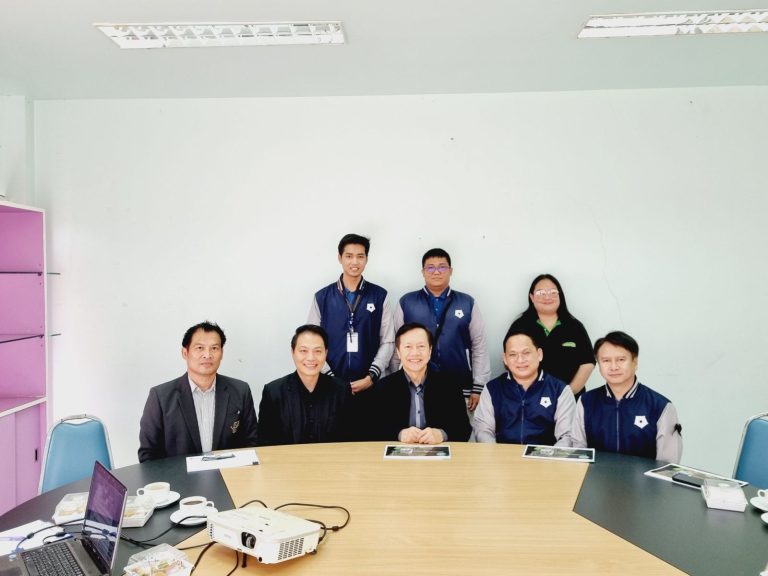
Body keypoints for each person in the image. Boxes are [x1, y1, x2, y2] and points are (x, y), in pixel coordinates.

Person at [308, 233, 394, 439]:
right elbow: (310, 342)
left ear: (366, 259)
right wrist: (332, 379)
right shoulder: (322, 297)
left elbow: (389, 340)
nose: (354, 262)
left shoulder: (380, 295)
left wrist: (372, 376)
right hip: (329, 387)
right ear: (340, 258)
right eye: (349, 256)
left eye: (360, 256)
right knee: (333, 443)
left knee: (369, 441)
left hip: (370, 387)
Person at [138, 321, 258, 462]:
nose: (207, 355)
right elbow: (148, 454)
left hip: (229, 479)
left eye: (214, 348)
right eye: (200, 348)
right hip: (180, 480)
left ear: (222, 353)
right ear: (185, 352)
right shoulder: (160, 397)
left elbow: (252, 443)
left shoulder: (240, 391)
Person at [391, 248, 490, 412]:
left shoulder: (467, 302)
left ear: (451, 271)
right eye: (430, 267)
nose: (436, 272)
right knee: (418, 432)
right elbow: (396, 348)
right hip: (415, 386)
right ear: (423, 271)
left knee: (457, 432)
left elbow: (479, 346)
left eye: (442, 267)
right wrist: (394, 382)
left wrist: (478, 386)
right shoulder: (407, 302)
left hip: (461, 385)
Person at [572, 331, 682, 462]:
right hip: (595, 481)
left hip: (645, 482)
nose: (613, 367)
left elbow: (667, 465)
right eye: (606, 360)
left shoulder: (661, 406)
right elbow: (578, 454)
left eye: (621, 360)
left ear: (635, 362)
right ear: (599, 365)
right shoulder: (586, 402)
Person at [473, 328, 575, 445]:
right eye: (513, 354)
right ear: (505, 359)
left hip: (545, 459)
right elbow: (483, 431)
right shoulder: (492, 389)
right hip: (503, 458)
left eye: (526, 353)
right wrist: (496, 455)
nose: (520, 360)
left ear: (539, 354)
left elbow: (567, 436)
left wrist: (550, 458)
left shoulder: (560, 390)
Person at [375, 323, 471, 443]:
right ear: (398, 352)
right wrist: (399, 434)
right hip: (397, 458)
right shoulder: (383, 388)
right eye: (408, 347)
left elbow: (464, 429)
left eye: (421, 346)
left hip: (439, 457)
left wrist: (442, 434)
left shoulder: (450, 386)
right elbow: (372, 429)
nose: (415, 353)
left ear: (430, 351)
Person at [258, 325, 353, 445]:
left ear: (326, 353)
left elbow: (351, 441)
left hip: (331, 462)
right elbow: (265, 443)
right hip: (287, 463)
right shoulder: (273, 392)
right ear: (293, 352)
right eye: (303, 351)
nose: (311, 357)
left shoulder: (342, 391)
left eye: (318, 351)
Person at [509, 274, 595, 398]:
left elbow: (587, 362)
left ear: (560, 295)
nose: (547, 297)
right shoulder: (520, 326)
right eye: (541, 293)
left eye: (553, 292)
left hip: (570, 398)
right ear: (531, 297)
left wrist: (567, 394)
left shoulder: (574, 326)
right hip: (529, 399)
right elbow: (511, 360)